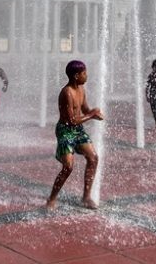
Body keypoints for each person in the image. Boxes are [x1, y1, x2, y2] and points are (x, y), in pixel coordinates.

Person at [45, 60, 103, 210]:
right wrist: (91, 115)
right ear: (76, 75)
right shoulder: (67, 93)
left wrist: (93, 112)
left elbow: (84, 110)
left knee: (93, 158)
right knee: (68, 167)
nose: (86, 76)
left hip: (77, 130)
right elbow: (71, 120)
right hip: (65, 130)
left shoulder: (81, 90)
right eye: (84, 73)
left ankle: (86, 197)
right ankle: (51, 199)